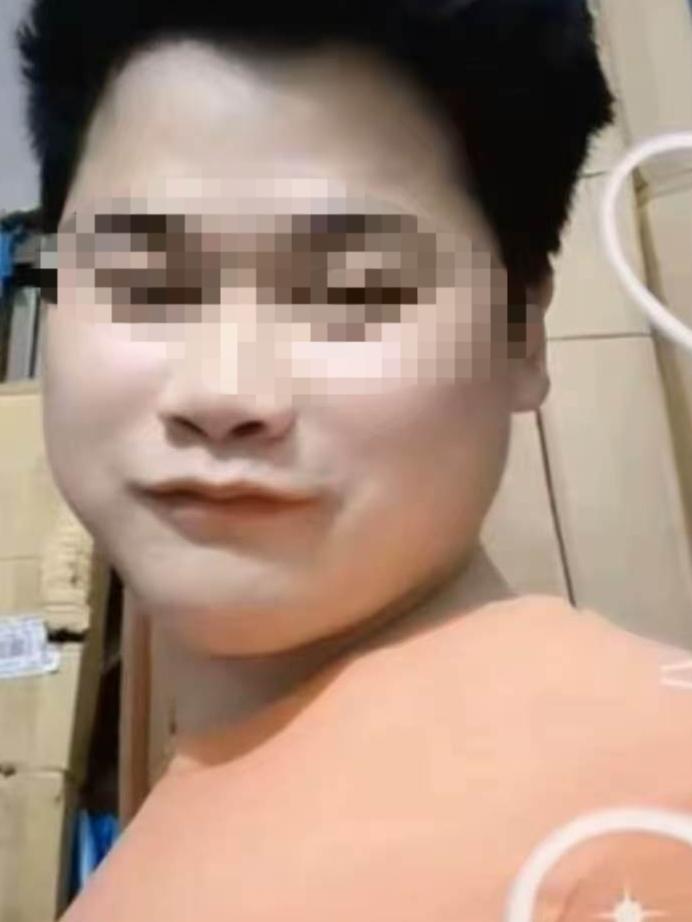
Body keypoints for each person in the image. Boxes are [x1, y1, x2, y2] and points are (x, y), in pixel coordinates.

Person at [17, 0, 692, 918]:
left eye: (352, 291)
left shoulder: (645, 814)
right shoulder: (186, 830)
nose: (224, 392)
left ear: (523, 332)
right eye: (145, 284)